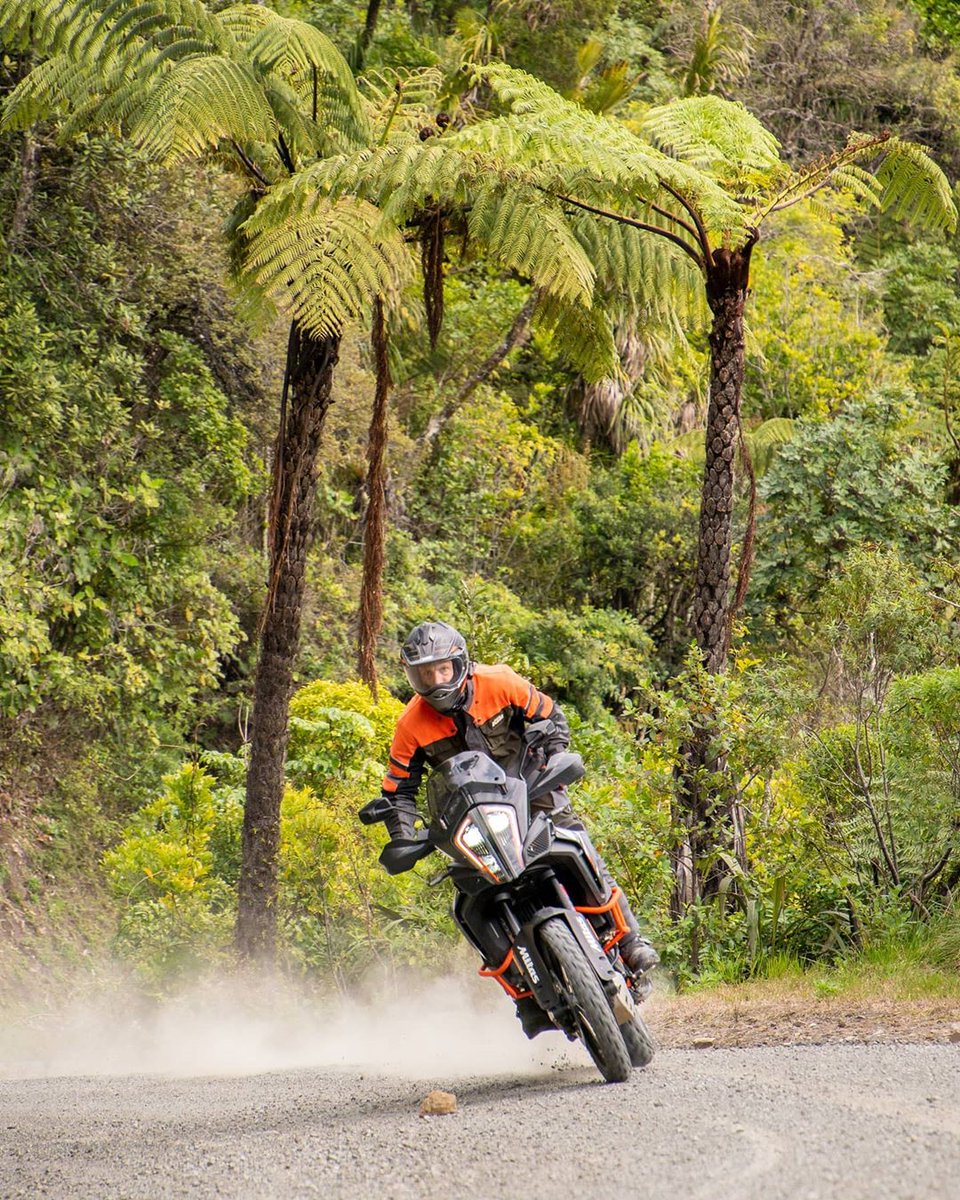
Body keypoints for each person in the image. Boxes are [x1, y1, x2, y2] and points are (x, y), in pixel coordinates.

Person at [377, 620, 659, 1035]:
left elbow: (551, 719)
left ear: (461, 665)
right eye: (424, 673)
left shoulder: (499, 681)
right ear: (412, 676)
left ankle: (630, 942)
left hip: (530, 791)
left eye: (442, 670)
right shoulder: (410, 725)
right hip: (468, 820)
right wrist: (403, 835)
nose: (436, 682)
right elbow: (399, 790)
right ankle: (524, 997)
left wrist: (553, 758)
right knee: (468, 904)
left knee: (575, 841)